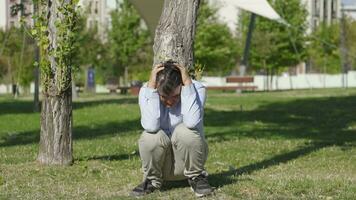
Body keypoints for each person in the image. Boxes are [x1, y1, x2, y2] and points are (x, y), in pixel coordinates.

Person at [131, 60, 213, 197]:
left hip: (188, 163)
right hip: (161, 165)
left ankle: (197, 178)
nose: (169, 102)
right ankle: (152, 180)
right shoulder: (147, 90)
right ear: (156, 88)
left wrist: (187, 84)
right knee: (149, 136)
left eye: (175, 96)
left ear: (182, 84)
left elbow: (192, 122)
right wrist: (151, 89)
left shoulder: (197, 89)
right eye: (164, 97)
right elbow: (151, 126)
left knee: (185, 131)